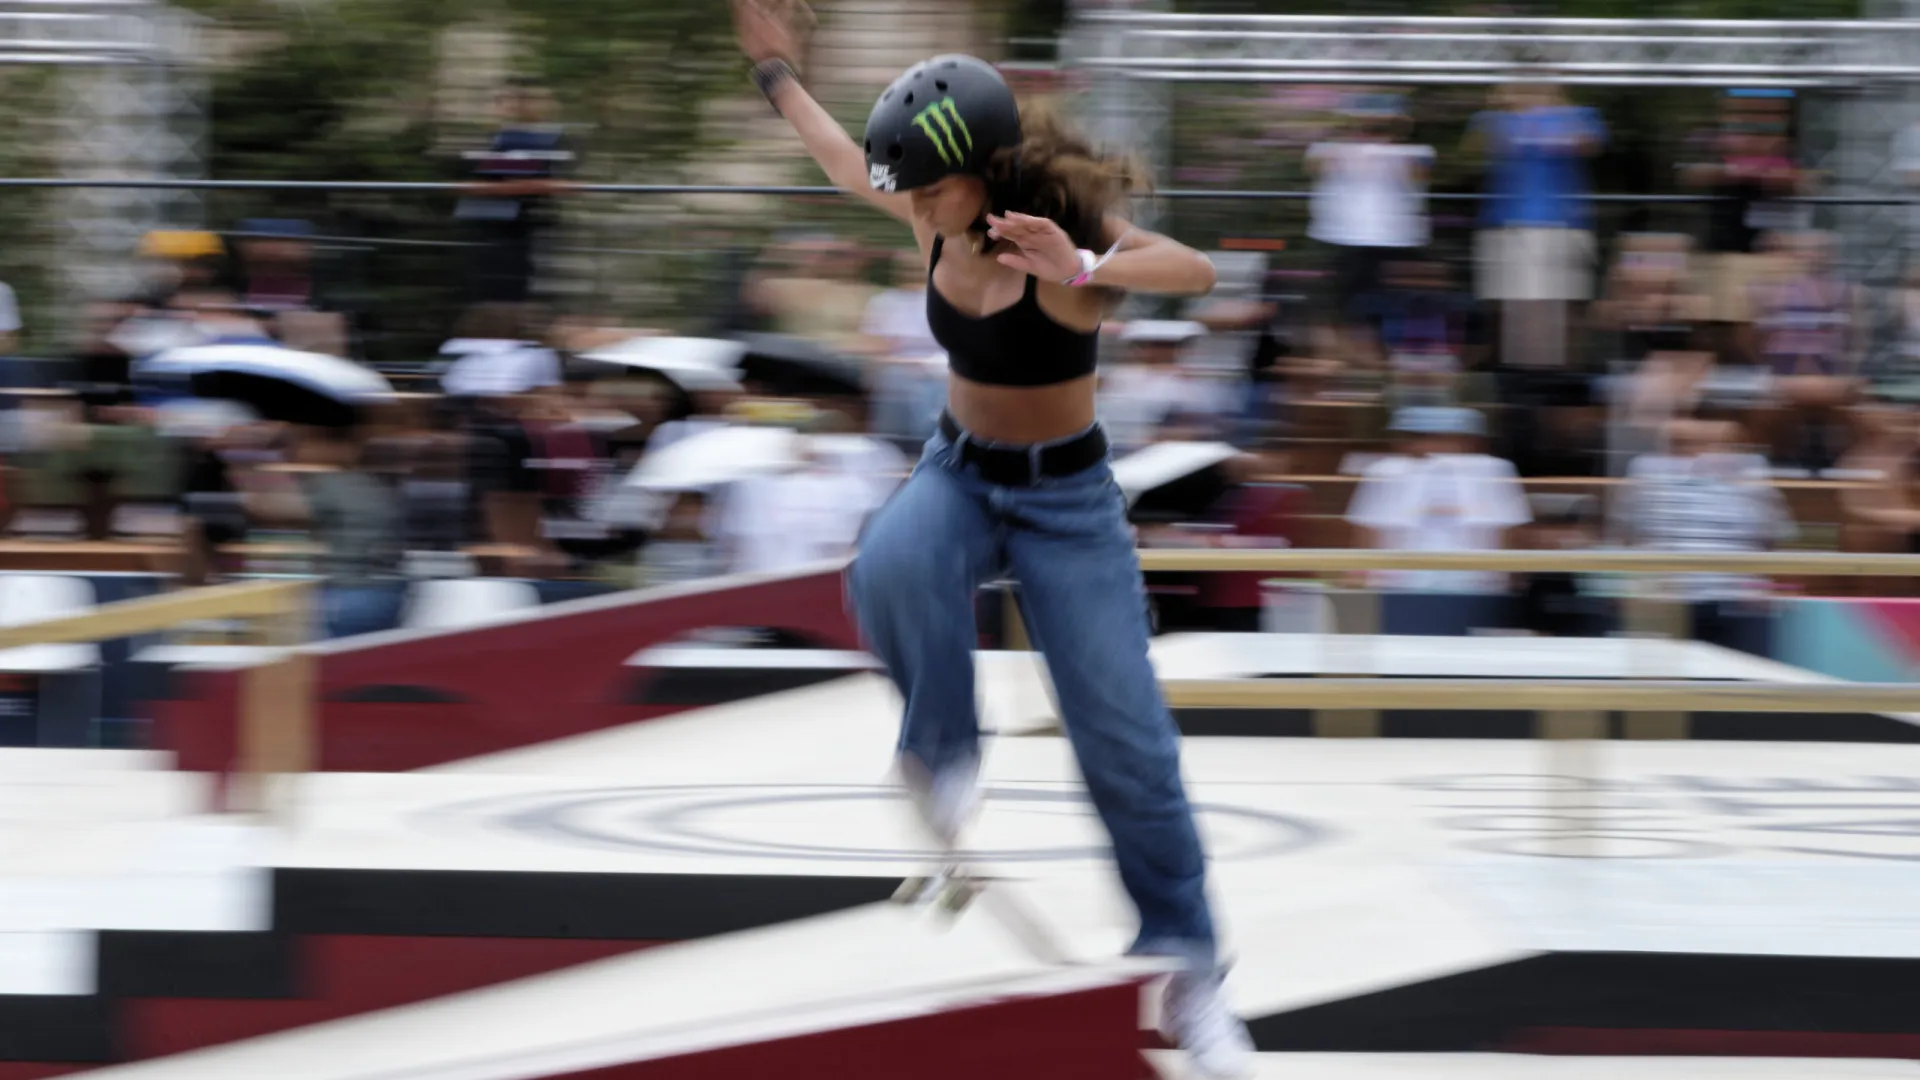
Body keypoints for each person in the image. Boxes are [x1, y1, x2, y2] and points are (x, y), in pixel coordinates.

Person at [731, 3, 1252, 1074]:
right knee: (889, 563)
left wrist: (1080, 269)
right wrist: (776, 70)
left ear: (989, 169)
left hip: (1068, 504)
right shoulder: (926, 211)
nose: (915, 207)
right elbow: (840, 162)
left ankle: (1190, 972)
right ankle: (945, 749)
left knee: (1125, 739)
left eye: (931, 186)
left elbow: (1194, 272)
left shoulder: (1059, 229)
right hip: (961, 471)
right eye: (911, 191)